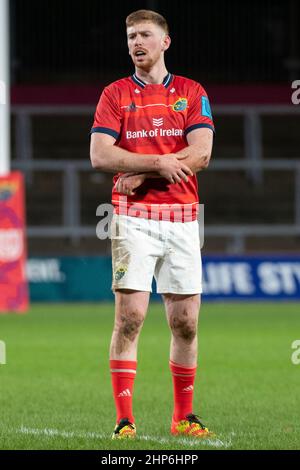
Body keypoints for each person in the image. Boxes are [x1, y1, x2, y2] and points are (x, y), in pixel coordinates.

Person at [90, 9, 215, 439]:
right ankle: (125, 419)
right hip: (131, 218)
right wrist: (160, 161)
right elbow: (101, 156)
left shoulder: (191, 91)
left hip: (182, 217)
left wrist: (145, 171)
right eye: (129, 36)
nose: (135, 42)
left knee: (186, 322)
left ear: (166, 41)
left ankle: (184, 417)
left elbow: (201, 154)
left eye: (144, 34)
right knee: (131, 317)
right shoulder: (115, 94)